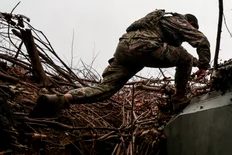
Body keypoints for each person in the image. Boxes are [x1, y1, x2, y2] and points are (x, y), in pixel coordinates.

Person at [31, 9, 211, 117]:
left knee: (106, 89)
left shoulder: (159, 25)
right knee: (185, 57)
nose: (189, 33)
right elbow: (201, 41)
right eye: (191, 28)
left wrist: (196, 63)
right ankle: (179, 99)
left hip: (125, 49)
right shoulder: (177, 20)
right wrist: (204, 65)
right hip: (145, 47)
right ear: (189, 23)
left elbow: (176, 56)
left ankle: (61, 99)